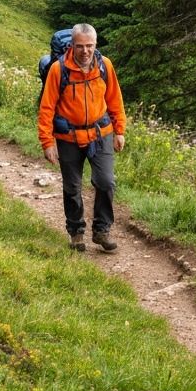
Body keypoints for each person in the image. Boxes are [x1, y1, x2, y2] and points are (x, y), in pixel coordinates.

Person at [37, 23, 126, 253]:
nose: (85, 51)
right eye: (80, 46)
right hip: (68, 137)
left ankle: (102, 230)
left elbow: (115, 99)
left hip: (100, 133)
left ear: (95, 45)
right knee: (72, 187)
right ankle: (76, 232)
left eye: (89, 46)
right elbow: (47, 108)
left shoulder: (104, 65)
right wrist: (47, 143)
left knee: (106, 182)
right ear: (72, 46)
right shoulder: (59, 70)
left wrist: (120, 130)